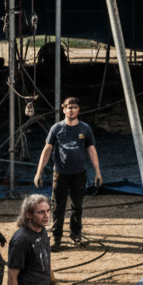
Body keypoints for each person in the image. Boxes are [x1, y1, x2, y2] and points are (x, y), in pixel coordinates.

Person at [34, 97, 102, 251]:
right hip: (61, 173)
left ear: (79, 110)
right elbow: (47, 149)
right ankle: (56, 238)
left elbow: (92, 150)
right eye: (69, 107)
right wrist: (39, 172)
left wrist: (98, 172)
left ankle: (76, 235)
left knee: (77, 206)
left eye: (75, 107)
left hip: (79, 173)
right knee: (57, 206)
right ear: (63, 110)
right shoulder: (56, 128)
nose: (72, 110)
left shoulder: (85, 129)